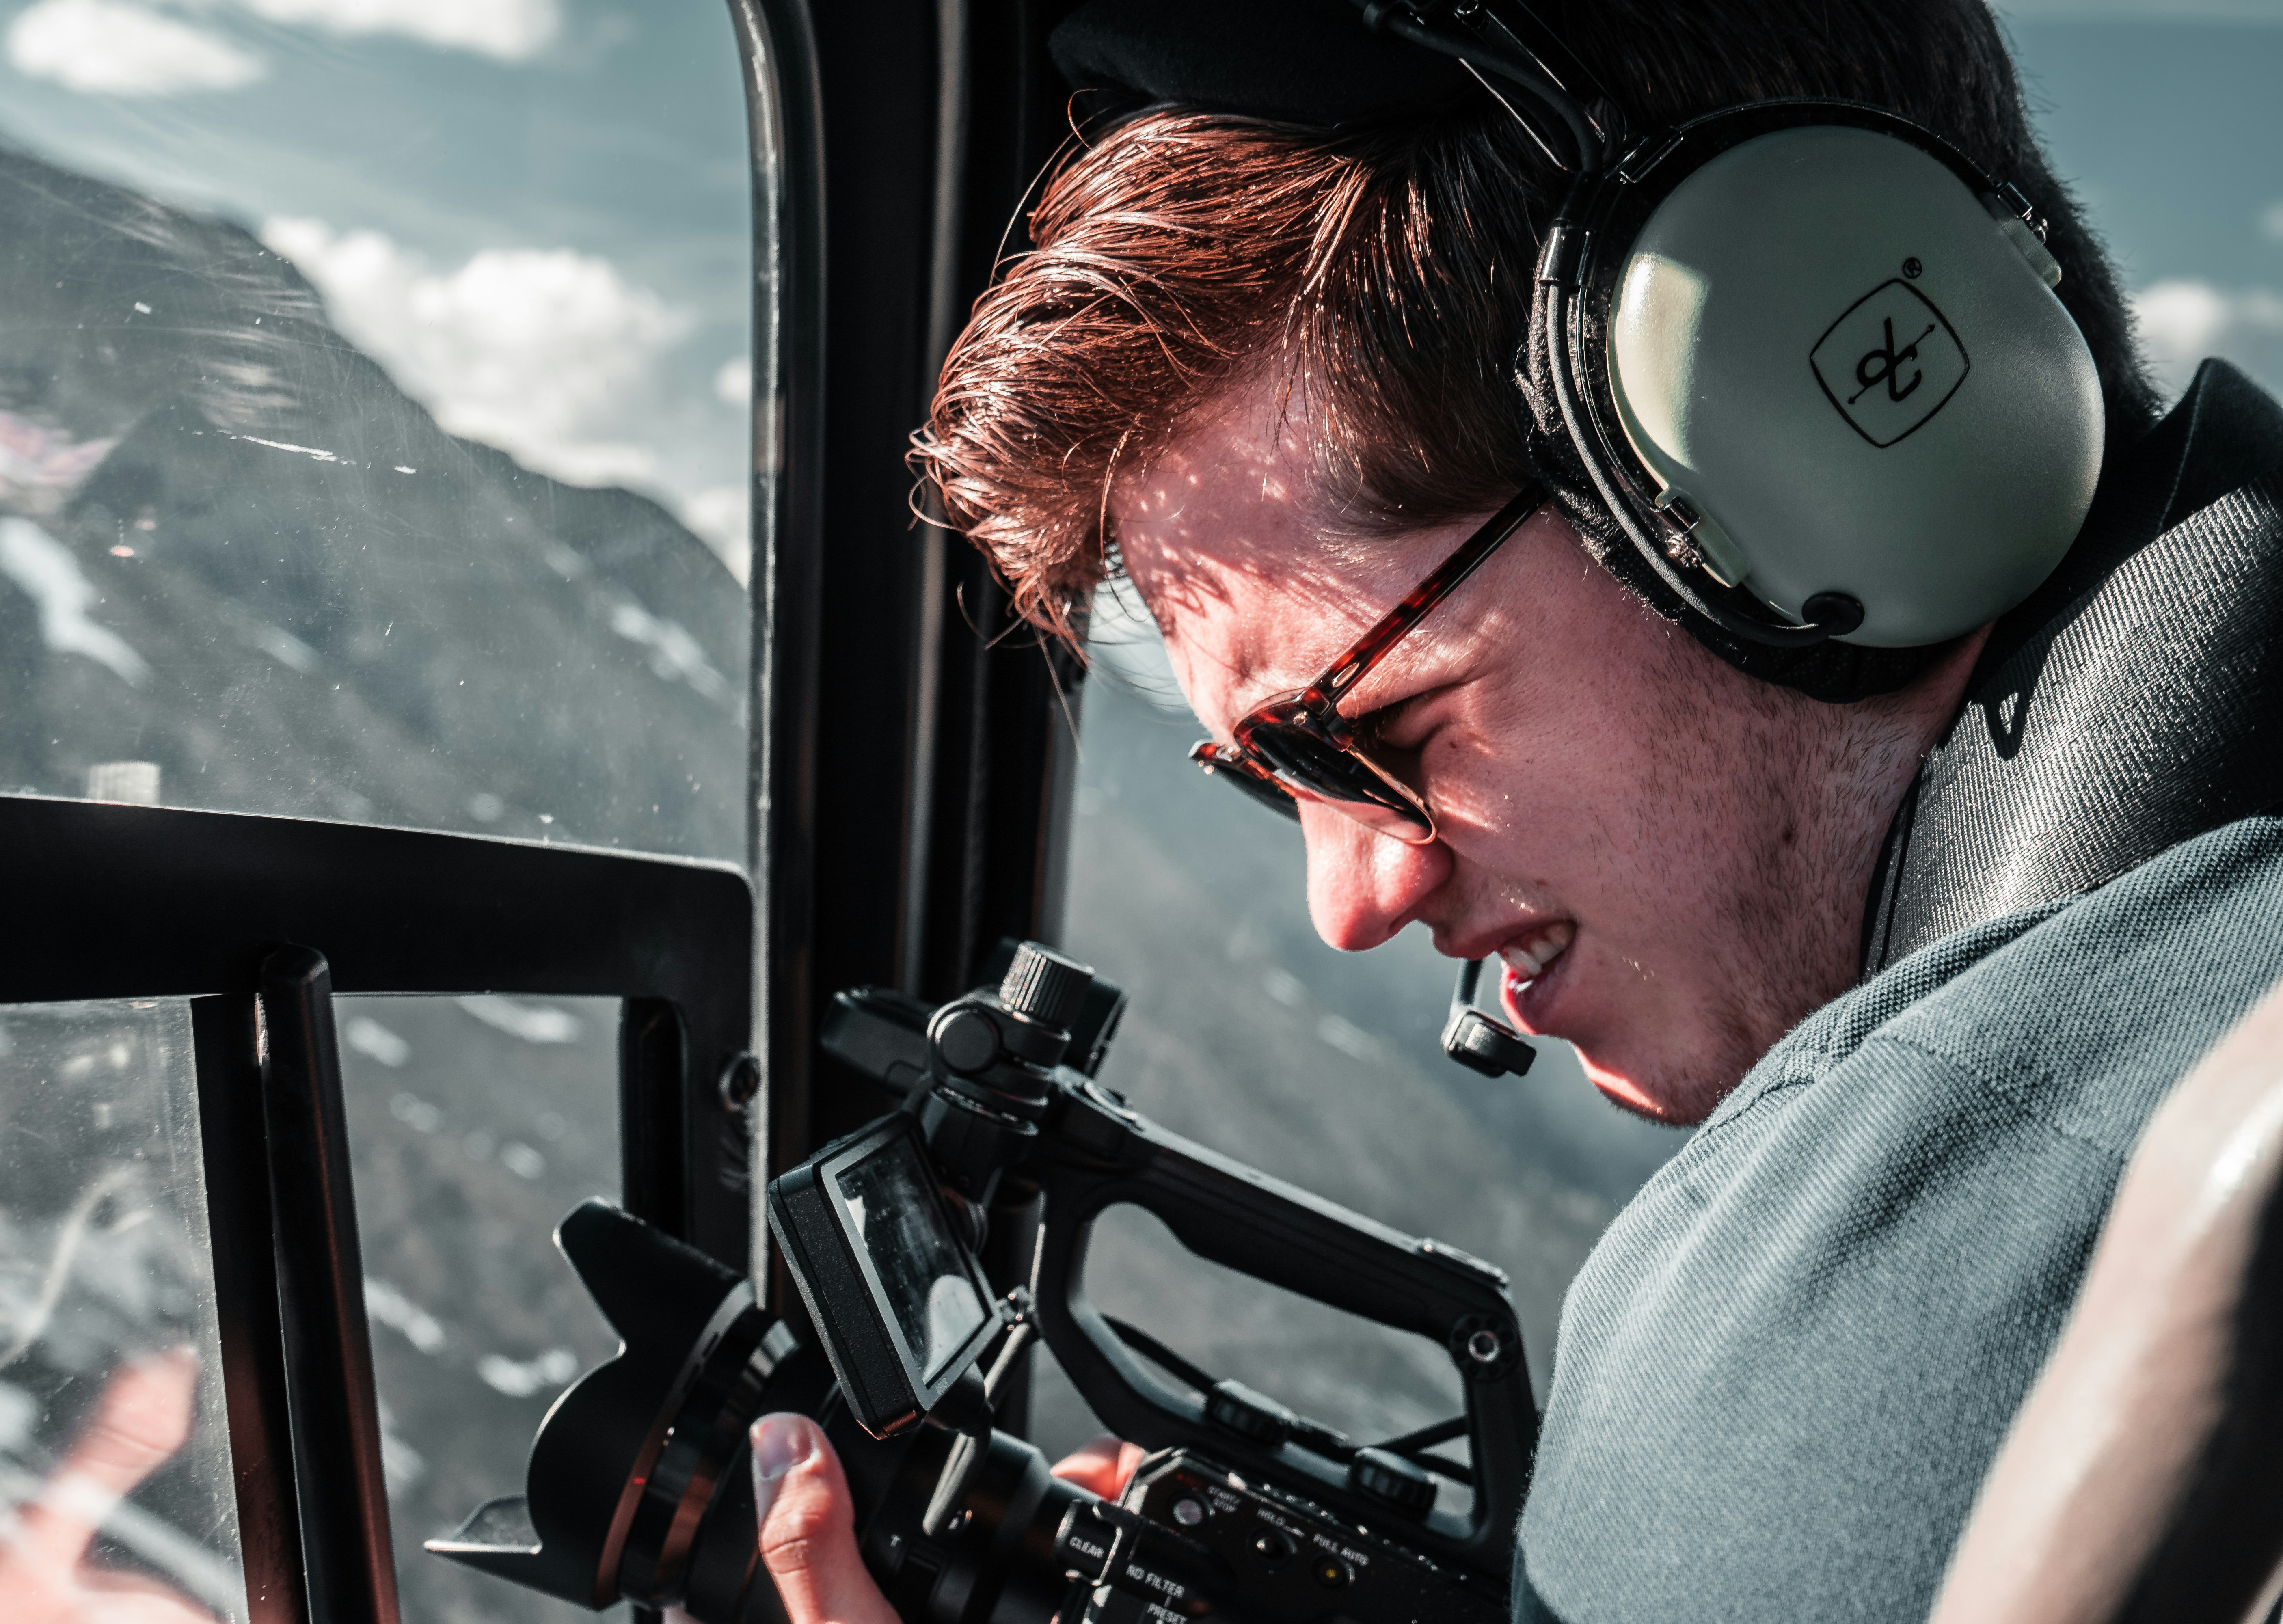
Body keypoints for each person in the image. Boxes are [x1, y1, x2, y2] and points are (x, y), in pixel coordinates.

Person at [752, 0, 2283, 1619]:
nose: (1348, 902)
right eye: (1275, 791)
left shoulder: (1869, 1300)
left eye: (1371, 733)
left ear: (1812, 428)